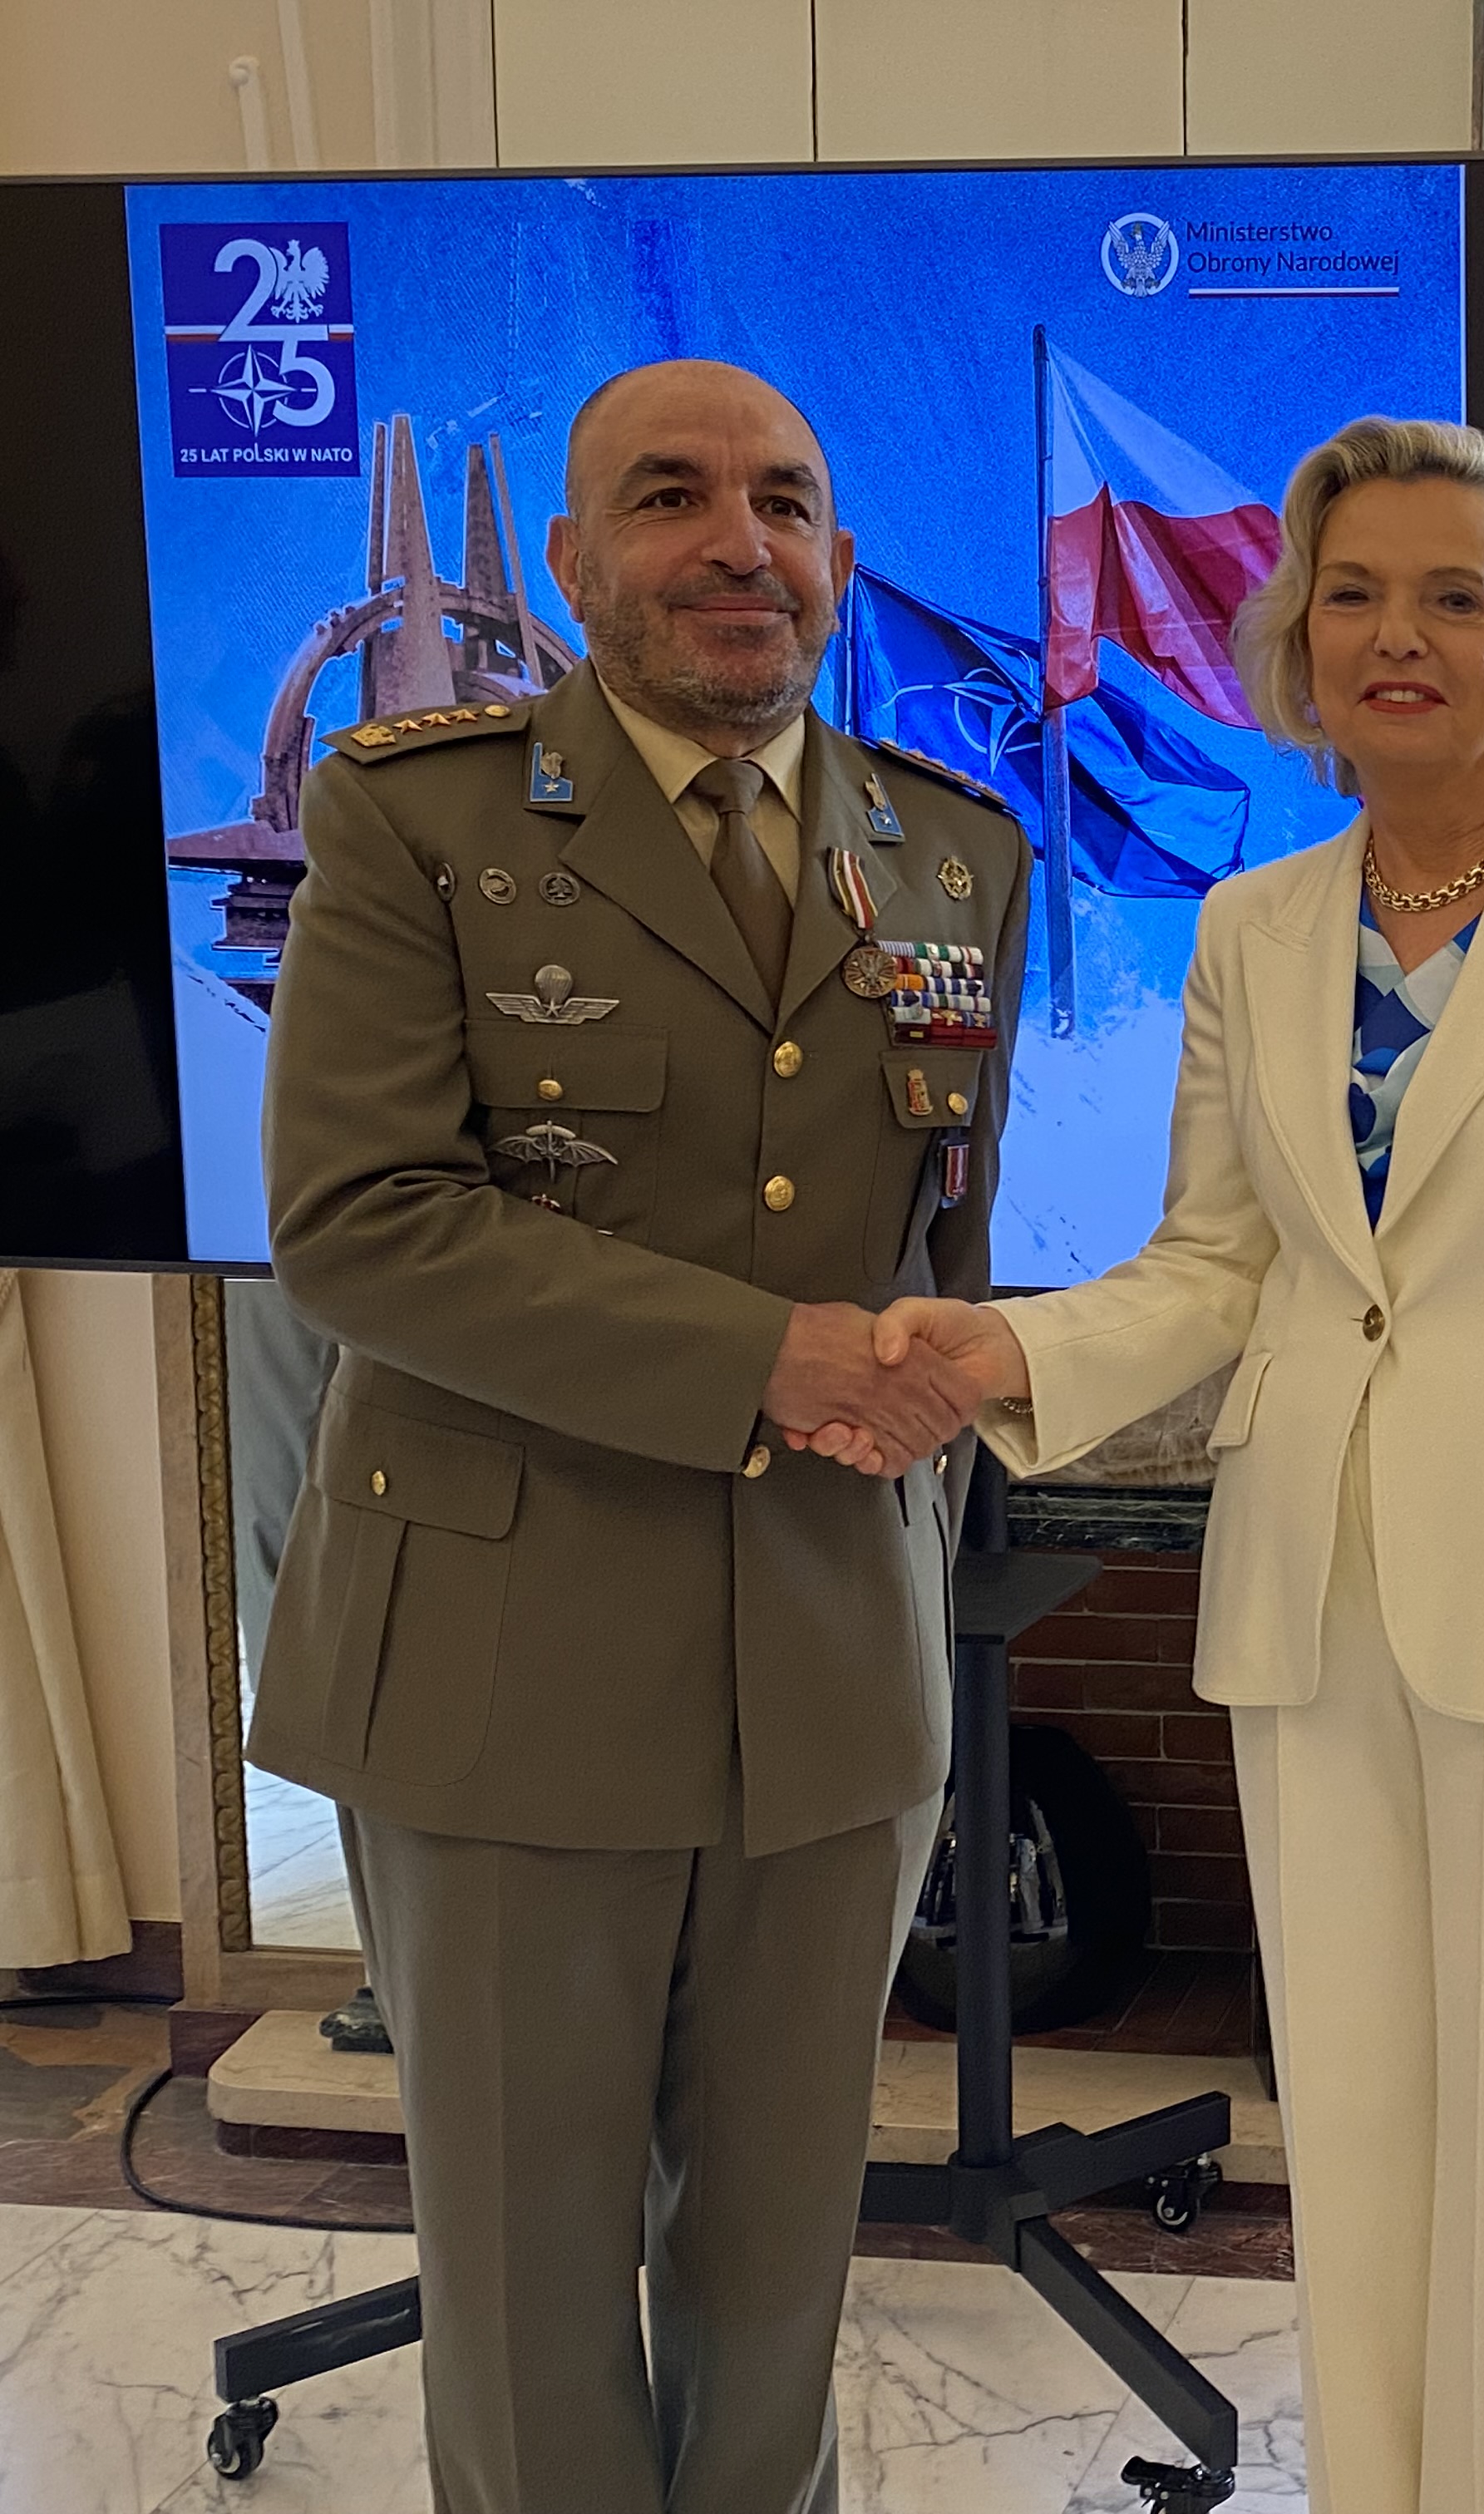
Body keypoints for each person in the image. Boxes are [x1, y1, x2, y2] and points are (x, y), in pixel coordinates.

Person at [806, 416, 1484, 2514]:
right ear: (1298, 643)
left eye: (1453, 595)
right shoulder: (1257, 927)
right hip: (1313, 1598)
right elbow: (1214, 1267)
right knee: (1352, 2132)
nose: (1397, 635)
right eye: (1353, 594)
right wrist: (1009, 1349)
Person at [251, 357, 1027, 2514]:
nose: (736, 543)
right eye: (672, 498)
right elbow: (361, 1221)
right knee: (527, 2295)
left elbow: (944, 1259)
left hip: (834, 1663)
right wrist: (769, 1357)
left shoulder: (954, 855)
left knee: (778, 2290)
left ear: (837, 558)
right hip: (506, 1658)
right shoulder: (417, 820)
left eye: (783, 501)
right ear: (575, 563)